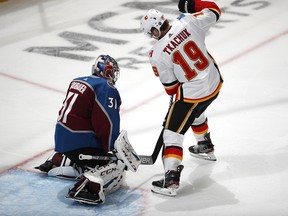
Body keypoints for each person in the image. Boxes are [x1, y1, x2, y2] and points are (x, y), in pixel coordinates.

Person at [140, 0, 223, 196]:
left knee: (172, 133)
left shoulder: (157, 53)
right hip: (215, 82)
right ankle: (204, 145)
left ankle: (170, 179)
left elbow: (171, 88)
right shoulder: (187, 21)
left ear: (154, 30)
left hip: (194, 93)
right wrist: (191, 4)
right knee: (194, 111)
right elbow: (214, 10)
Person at [36, 55, 140, 204]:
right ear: (107, 71)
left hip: (62, 141)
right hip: (81, 144)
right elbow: (107, 122)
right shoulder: (105, 87)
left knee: (82, 143)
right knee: (118, 168)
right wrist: (111, 150)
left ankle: (59, 160)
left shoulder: (78, 80)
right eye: (112, 71)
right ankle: (87, 187)